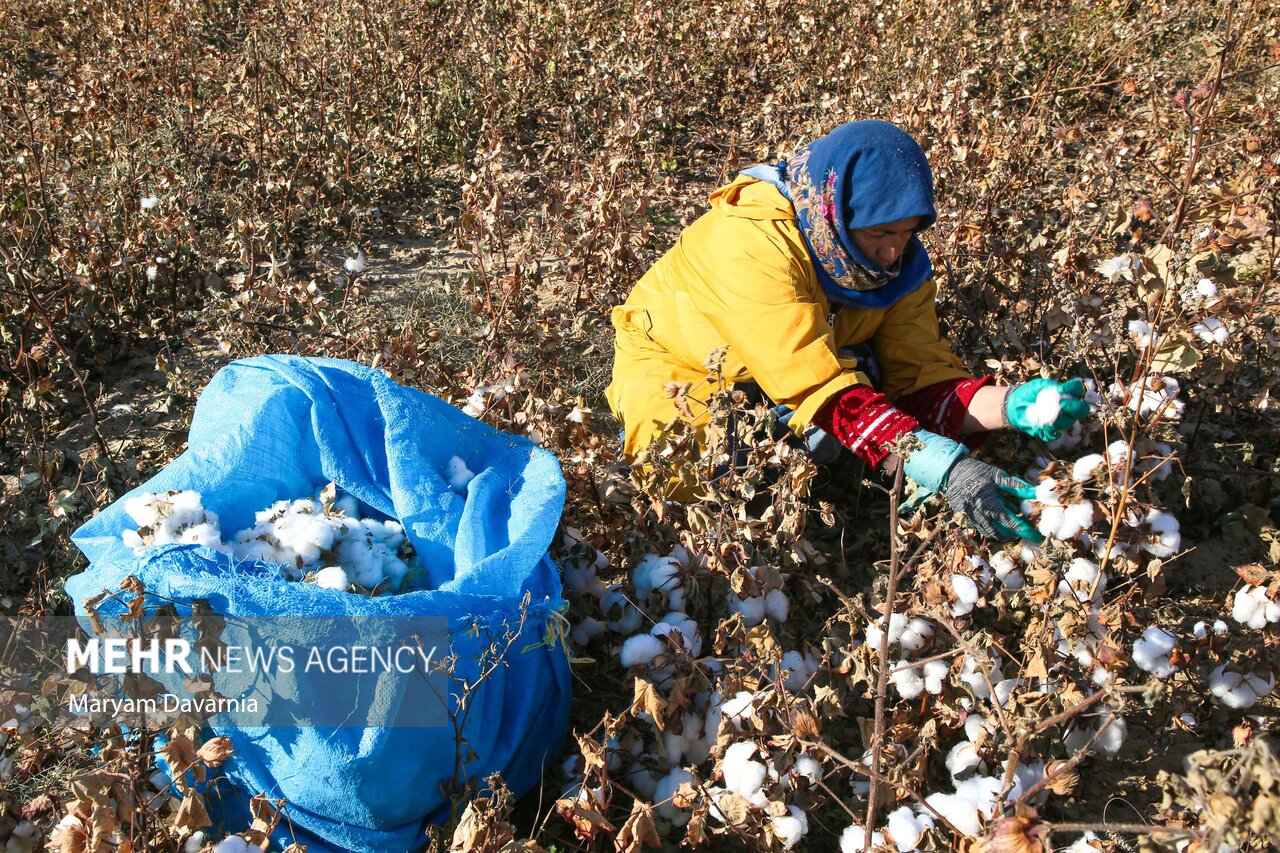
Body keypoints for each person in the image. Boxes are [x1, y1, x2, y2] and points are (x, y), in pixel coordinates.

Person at [605, 120, 1090, 541]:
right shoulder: (748, 242)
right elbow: (812, 380)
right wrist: (945, 469)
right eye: (880, 233)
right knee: (690, 470)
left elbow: (920, 377)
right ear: (835, 210)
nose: (892, 253)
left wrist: (1010, 405)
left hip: (800, 369)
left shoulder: (898, 266)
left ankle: (817, 444)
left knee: (858, 408)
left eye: (907, 233)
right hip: (680, 368)